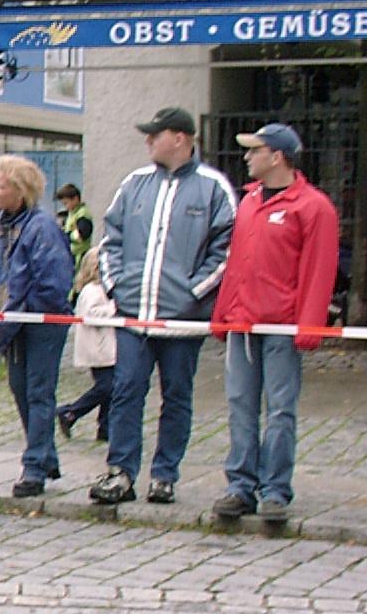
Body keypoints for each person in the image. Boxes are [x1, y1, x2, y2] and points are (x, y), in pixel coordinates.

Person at [91, 106, 236, 506]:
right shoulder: (134, 183)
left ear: (180, 138)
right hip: (134, 315)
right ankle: (120, 472)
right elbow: (111, 239)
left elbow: (226, 250)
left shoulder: (213, 188)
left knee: (177, 396)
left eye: (155, 134)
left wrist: (192, 293)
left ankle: (164, 476)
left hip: (182, 321)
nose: (148, 140)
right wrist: (116, 286)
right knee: (125, 391)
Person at [210, 122, 339, 524]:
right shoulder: (249, 202)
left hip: (282, 326)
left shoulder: (314, 207)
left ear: (277, 156)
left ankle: (275, 490)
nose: (247, 157)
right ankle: (240, 486)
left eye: (255, 150)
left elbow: (319, 270)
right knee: (240, 406)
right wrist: (223, 315)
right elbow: (236, 265)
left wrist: (309, 326)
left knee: (280, 409)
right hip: (243, 323)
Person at [0, 154, 73, 498]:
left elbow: (54, 282)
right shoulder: (3, 226)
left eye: (0, 186)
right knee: (20, 388)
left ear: (20, 191)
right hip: (14, 321)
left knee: (39, 392)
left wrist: (25, 310)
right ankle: (46, 455)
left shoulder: (42, 227)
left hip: (40, 322)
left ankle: (35, 467)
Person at [57, 246, 117, 443]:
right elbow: (92, 315)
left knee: (111, 388)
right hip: (99, 348)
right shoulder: (92, 291)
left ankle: (105, 427)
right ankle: (71, 411)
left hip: (105, 347)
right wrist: (114, 308)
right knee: (106, 386)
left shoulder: (100, 289)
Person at [56, 183, 90, 262]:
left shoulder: (83, 214)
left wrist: (66, 236)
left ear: (75, 199)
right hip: (71, 254)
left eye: (66, 203)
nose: (65, 206)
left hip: (80, 256)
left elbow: (82, 234)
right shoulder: (71, 214)